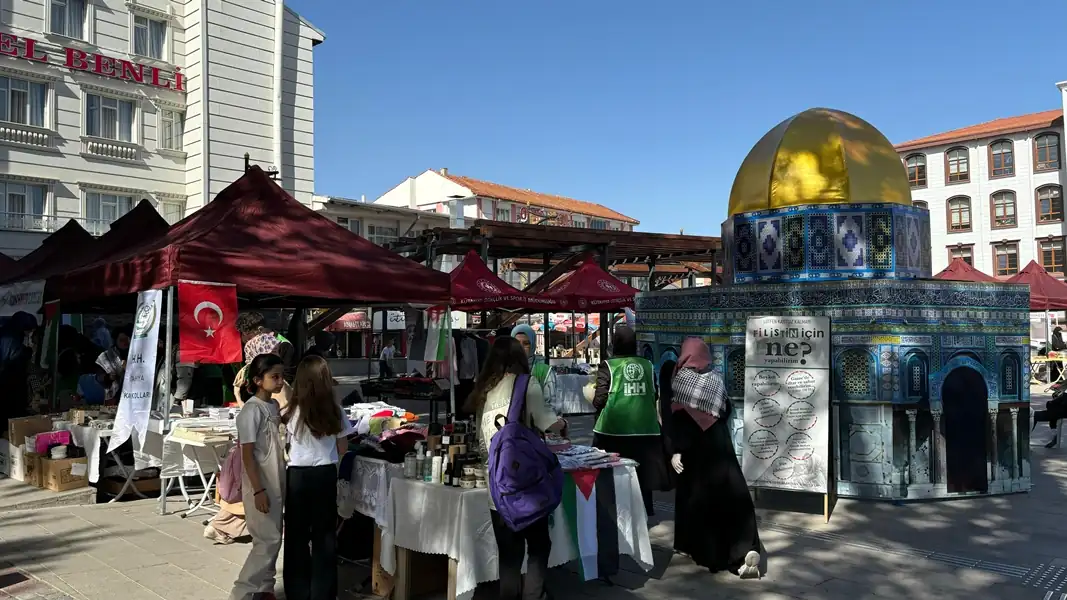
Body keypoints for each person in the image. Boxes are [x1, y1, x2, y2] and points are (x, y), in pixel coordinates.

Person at [465, 337, 566, 600]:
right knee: (539, 545)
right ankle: (534, 595)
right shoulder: (526, 384)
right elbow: (546, 422)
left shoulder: (484, 392)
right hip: (527, 486)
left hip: (496, 489)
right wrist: (562, 423)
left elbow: (480, 444)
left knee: (509, 556)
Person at [665, 337, 760, 579]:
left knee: (701, 501)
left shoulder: (681, 380)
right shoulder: (715, 379)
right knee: (732, 497)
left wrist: (676, 450)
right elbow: (725, 411)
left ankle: (712, 554)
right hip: (720, 445)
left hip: (696, 451)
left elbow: (681, 420)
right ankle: (743, 551)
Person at [282, 355, 355, 600]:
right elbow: (344, 447)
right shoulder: (335, 410)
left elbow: (286, 443)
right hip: (324, 474)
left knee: (296, 537)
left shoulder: (292, 411)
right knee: (324, 537)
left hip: (298, 476)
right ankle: (323, 593)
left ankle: (297, 591)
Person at [591, 326, 670, 516]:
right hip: (646, 430)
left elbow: (599, 399)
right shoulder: (648, 365)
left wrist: (593, 400)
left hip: (613, 431)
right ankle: (642, 514)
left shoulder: (609, 365)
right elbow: (654, 394)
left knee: (612, 475)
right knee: (642, 477)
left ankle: (615, 513)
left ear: (615, 343)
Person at [231, 353, 288, 600]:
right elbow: (247, 455)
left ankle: (265, 588)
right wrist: (257, 490)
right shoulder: (250, 411)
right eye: (274, 377)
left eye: (281, 376)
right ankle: (242, 592)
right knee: (267, 540)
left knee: (274, 537)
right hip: (260, 483)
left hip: (276, 480)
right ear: (257, 379)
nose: (279, 382)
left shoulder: (273, 406)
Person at [237, 312, 297, 382]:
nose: (244, 339)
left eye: (248, 335)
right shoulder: (250, 348)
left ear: (260, 330)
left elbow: (288, 376)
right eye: (242, 334)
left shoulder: (284, 345)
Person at [511, 324, 558, 402]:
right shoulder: (505, 368)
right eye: (517, 343)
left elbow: (551, 404)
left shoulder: (544, 371)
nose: (521, 347)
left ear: (532, 345)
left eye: (526, 344)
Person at [96, 326, 132, 403]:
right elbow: (98, 378)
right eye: (122, 340)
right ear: (115, 341)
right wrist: (108, 377)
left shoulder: (136, 355)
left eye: (127, 339)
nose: (126, 342)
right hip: (112, 399)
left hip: (132, 397)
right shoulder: (106, 356)